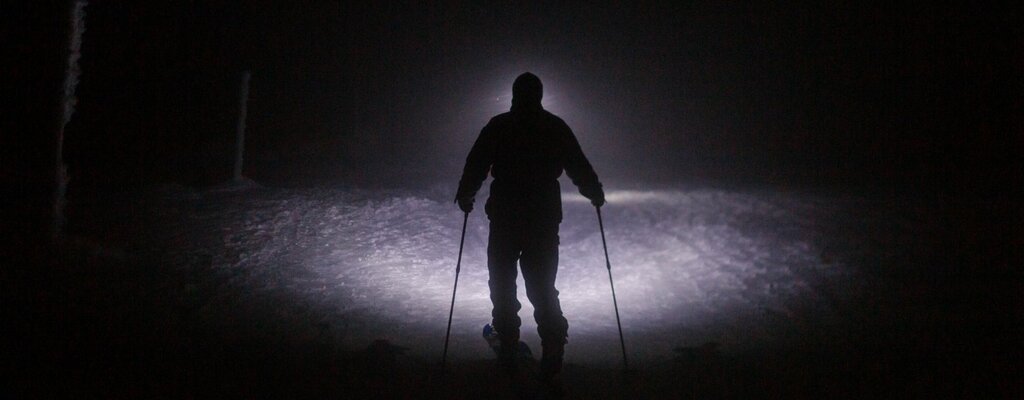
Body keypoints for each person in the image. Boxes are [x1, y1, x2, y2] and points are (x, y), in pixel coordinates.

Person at [455, 72, 605, 386]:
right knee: (541, 286)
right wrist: (592, 190)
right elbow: (576, 162)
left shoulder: (500, 126)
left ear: (514, 95)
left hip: (506, 217)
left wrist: (467, 194)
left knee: (502, 284)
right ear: (539, 95)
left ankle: (508, 350)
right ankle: (552, 350)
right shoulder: (553, 126)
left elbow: (477, 163)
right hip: (543, 218)